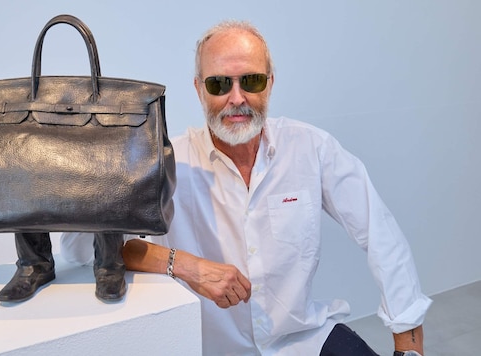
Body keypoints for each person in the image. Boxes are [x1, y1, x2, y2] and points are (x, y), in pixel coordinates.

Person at [62, 20, 432, 355]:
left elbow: (379, 233)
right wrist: (185, 265)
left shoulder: (311, 149)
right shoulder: (164, 163)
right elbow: (85, 250)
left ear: (270, 82)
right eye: (219, 84)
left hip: (303, 340)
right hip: (208, 348)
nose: (236, 99)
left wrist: (408, 344)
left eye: (251, 81)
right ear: (199, 89)